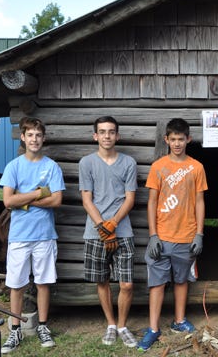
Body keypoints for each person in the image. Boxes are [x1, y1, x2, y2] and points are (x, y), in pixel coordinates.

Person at [137, 118, 208, 352]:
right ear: (166, 140)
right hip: (163, 235)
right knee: (157, 284)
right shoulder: (159, 166)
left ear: (188, 139)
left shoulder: (196, 167)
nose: (177, 143)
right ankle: (153, 328)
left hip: (186, 235)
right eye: (173, 139)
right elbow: (152, 202)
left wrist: (199, 233)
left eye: (181, 139)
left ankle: (179, 321)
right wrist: (153, 235)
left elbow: (199, 201)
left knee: (181, 280)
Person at [0, 117, 65, 354]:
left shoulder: (52, 166)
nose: (34, 139)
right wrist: (38, 193)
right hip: (19, 235)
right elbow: (8, 201)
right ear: (23, 138)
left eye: (38, 135)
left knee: (43, 282)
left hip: (45, 234)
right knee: (16, 284)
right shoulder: (13, 167)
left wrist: (23, 197)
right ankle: (15, 330)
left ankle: (43, 326)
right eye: (30, 135)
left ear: (43, 138)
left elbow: (56, 200)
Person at [79, 116, 138, 348]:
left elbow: (130, 198)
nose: (107, 136)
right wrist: (103, 227)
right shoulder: (86, 163)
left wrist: (113, 224)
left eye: (111, 132)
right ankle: (111, 324)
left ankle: (123, 326)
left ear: (117, 136)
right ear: (95, 136)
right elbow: (86, 199)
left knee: (126, 284)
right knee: (102, 281)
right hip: (95, 233)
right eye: (102, 132)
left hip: (123, 231)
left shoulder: (128, 163)